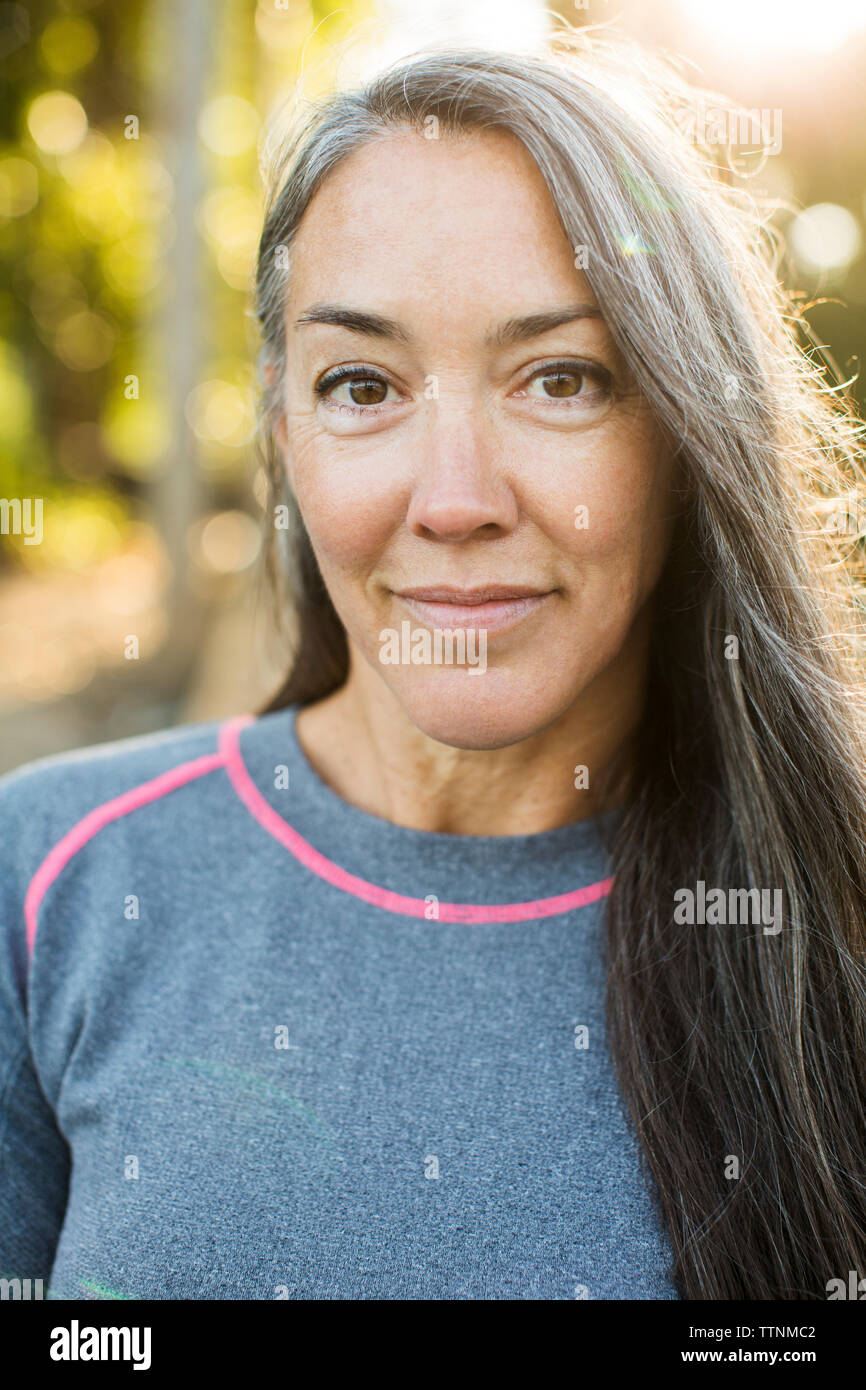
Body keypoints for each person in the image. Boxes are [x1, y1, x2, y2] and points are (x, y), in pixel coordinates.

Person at [2, 31, 865, 1301]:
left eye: (560, 377)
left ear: (689, 428)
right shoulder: (45, 879)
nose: (453, 499)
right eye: (361, 385)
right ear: (284, 428)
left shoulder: (828, 915)